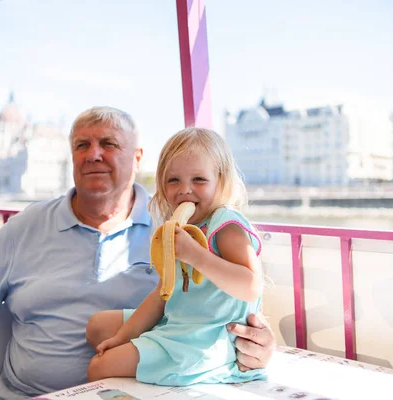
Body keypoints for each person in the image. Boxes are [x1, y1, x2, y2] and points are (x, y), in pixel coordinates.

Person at [0, 107, 275, 399]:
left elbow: (228, 299)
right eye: (82, 144)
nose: (94, 153)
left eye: (109, 143)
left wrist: (259, 345)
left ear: (137, 158)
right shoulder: (27, 225)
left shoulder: (182, 231)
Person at [86, 127, 267, 386]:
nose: (185, 190)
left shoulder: (224, 224)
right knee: (97, 326)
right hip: (179, 322)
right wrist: (122, 337)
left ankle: (203, 368)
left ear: (221, 181)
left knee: (98, 368)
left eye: (199, 180)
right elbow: (163, 293)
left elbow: (251, 287)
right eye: (174, 181)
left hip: (204, 339)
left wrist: (196, 256)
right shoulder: (177, 228)